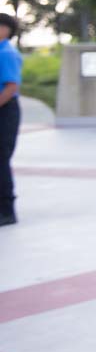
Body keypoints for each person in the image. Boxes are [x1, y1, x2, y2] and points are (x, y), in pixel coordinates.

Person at [0, 13, 22, 226]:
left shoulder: (6, 53)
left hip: (5, 111)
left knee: (1, 159)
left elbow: (11, 87)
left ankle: (7, 211)